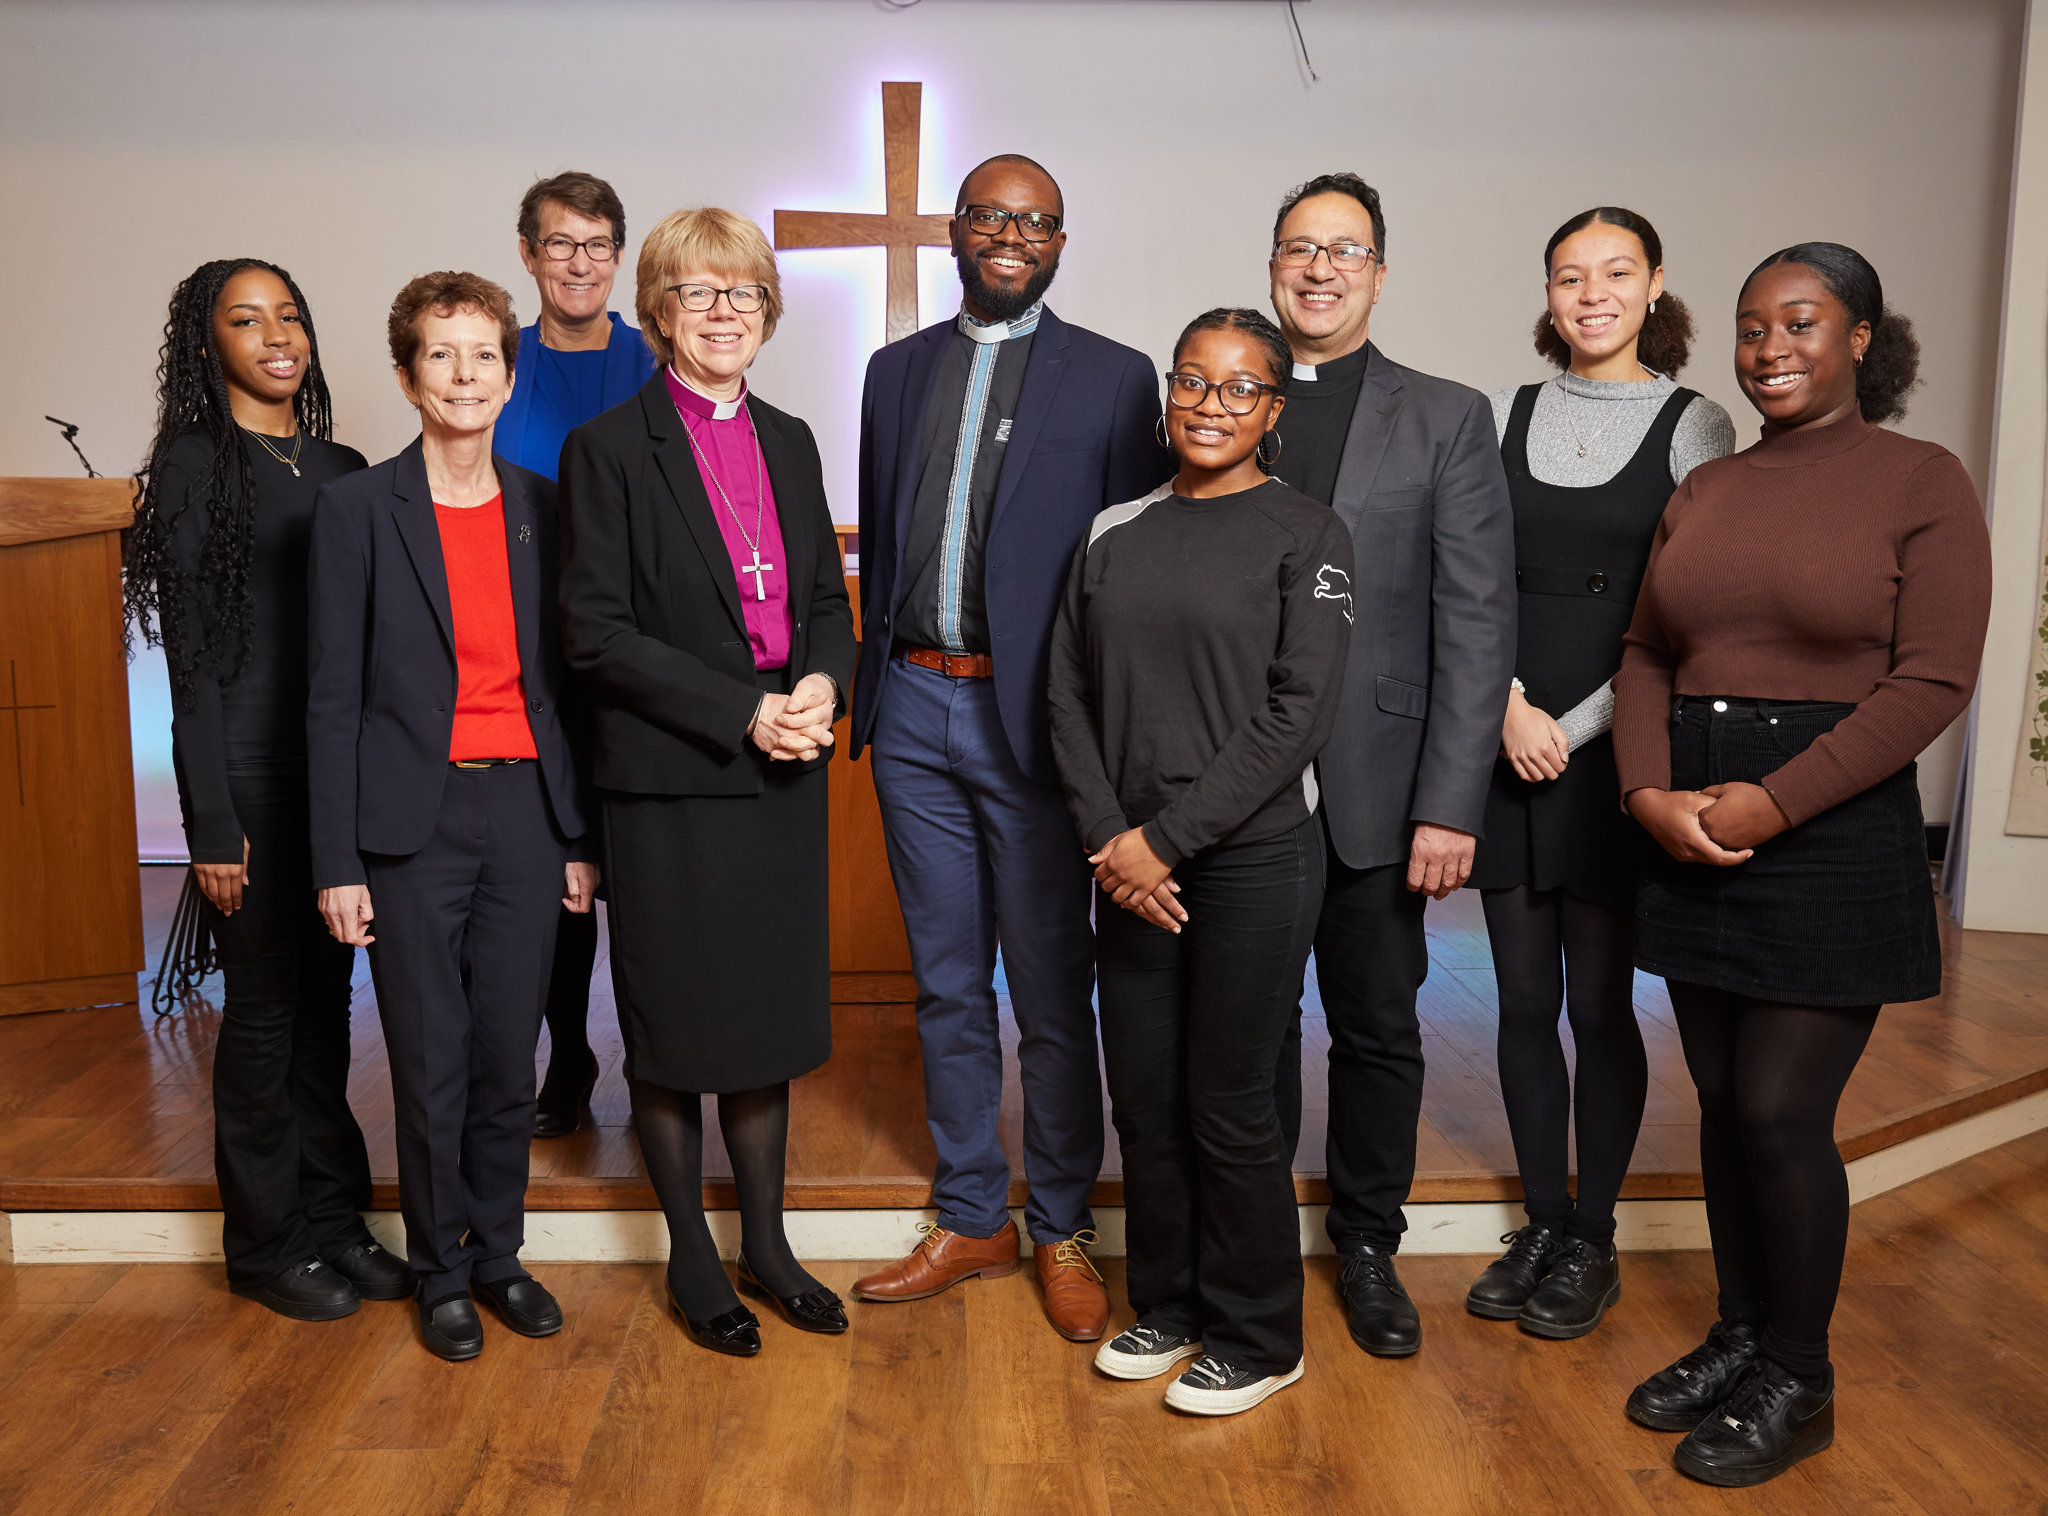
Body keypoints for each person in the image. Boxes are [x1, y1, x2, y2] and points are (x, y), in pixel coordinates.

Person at [1613, 244, 1990, 1486]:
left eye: (1799, 323)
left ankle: (1798, 1374)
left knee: (1779, 1110)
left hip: (1825, 828)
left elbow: (1932, 679)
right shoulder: (1707, 486)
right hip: (1691, 818)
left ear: (1860, 339)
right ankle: (1739, 1334)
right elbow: (1645, 653)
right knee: (1724, 1106)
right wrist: (1645, 792)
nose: (1768, 348)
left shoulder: (1921, 480)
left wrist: (1773, 803)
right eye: (1749, 326)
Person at [846, 154, 1168, 1341]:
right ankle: (972, 1211)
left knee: (1047, 986)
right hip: (911, 708)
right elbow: (882, 535)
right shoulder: (892, 372)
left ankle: (1061, 1224)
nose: (1010, 235)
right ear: (955, 230)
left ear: (1059, 242)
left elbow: (1133, 566)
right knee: (943, 983)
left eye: (1033, 222)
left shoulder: (1114, 379)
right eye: (989, 215)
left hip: (1036, 721)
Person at [558, 208, 856, 1357]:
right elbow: (594, 632)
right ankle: (691, 1252)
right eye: (696, 292)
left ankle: (767, 1245)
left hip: (782, 775)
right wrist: (743, 709)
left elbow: (821, 600)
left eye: (742, 293)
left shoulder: (789, 437)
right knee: (679, 1028)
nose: (722, 312)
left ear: (767, 313)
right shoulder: (606, 450)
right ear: (656, 312)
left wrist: (820, 684)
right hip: (672, 783)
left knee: (763, 1023)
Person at [1050, 308, 1352, 1416]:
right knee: (1144, 1098)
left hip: (1250, 861)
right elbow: (1064, 694)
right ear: (1167, 394)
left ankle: (1260, 1334)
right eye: (1191, 381)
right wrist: (1110, 838)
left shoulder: (1309, 533)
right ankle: (1170, 1306)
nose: (1209, 405)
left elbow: (1297, 715)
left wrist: (1161, 843)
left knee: (1229, 1102)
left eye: (1238, 388)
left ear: (1272, 410)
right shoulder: (1114, 529)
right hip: (1126, 863)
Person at [307, 271, 598, 1362]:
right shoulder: (356, 512)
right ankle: (439, 1270)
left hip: (525, 812)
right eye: (441, 353)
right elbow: (330, 698)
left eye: (484, 355)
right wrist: (336, 860)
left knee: (507, 1057)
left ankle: (498, 1256)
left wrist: (577, 836)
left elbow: (571, 689)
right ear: (406, 376)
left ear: (509, 377)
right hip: (408, 826)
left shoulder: (547, 508)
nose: (465, 375)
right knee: (429, 1060)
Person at [1463, 208, 1735, 1337]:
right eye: (1570, 276)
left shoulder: (1697, 421)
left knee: (1598, 1004)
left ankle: (1592, 1235)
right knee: (1523, 1003)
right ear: (1546, 292)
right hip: (1504, 732)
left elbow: (1681, 613)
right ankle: (1539, 1220)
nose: (1592, 294)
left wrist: (1563, 729)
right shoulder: (1503, 411)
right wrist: (1502, 706)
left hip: (1614, 745)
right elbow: (1467, 580)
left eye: (1616, 272)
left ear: (1654, 284)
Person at [123, 259, 409, 1321]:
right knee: (262, 1018)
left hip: (332, 777)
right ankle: (264, 1245)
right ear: (210, 345)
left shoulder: (343, 465)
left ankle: (334, 1221)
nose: (276, 335)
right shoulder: (194, 465)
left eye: (289, 315)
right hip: (245, 781)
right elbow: (191, 665)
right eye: (247, 320)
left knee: (330, 1012)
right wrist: (210, 822)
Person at [1264, 173, 1516, 1358]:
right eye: (1298, 248)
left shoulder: (1445, 415)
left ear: (1377, 271)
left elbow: (1475, 619)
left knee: (1374, 1026)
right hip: (1243, 784)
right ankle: (1253, 1239)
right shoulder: (1229, 390)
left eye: (1344, 250)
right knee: (1248, 1023)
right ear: (1272, 264)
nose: (1319, 269)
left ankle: (1366, 1242)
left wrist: (1448, 804)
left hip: (1379, 782)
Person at [497, 171, 658, 1140]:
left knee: (638, 873)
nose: (580, 263)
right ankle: (566, 1060)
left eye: (597, 244)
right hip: (524, 657)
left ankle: (657, 1068)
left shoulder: (657, 359)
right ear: (528, 254)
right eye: (560, 243)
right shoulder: (495, 360)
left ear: (619, 257)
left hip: (634, 653)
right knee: (552, 875)